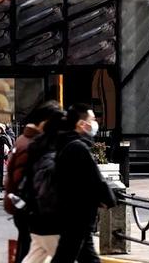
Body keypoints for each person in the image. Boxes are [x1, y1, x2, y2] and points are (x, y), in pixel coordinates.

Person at [52, 104, 116, 263]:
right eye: (92, 119)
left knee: (84, 254)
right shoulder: (78, 147)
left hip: (73, 209)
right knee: (67, 253)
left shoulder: (67, 144)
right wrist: (108, 198)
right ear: (81, 124)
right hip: (77, 211)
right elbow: (94, 177)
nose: (95, 123)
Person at [6, 101, 65, 263]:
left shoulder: (25, 140)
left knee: (32, 253)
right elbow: (25, 179)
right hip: (33, 209)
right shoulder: (34, 144)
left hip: (26, 208)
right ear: (46, 123)